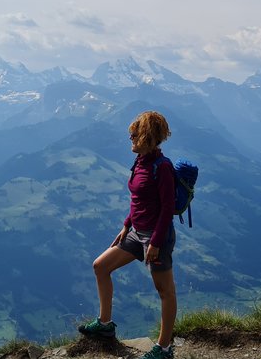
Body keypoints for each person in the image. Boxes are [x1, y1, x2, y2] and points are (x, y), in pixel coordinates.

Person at [79, 110, 178, 359]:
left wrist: (155, 242)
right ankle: (104, 326)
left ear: (146, 136)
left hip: (156, 236)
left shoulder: (162, 167)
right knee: (100, 266)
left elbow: (167, 209)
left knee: (165, 291)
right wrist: (126, 224)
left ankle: (164, 349)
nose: (130, 138)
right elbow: (139, 200)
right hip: (135, 232)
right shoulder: (141, 161)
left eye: (134, 134)